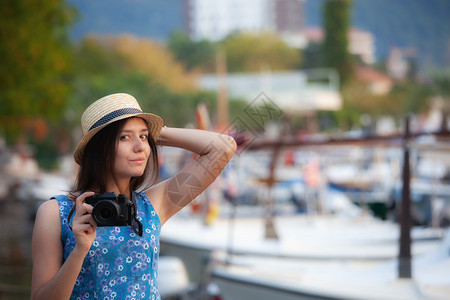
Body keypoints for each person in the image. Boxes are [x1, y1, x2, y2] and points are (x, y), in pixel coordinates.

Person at [31, 93, 236, 299]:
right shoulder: (55, 213)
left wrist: (153, 132)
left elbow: (224, 148)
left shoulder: (153, 205)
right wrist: (79, 250)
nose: (140, 148)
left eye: (144, 137)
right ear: (99, 147)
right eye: (124, 137)